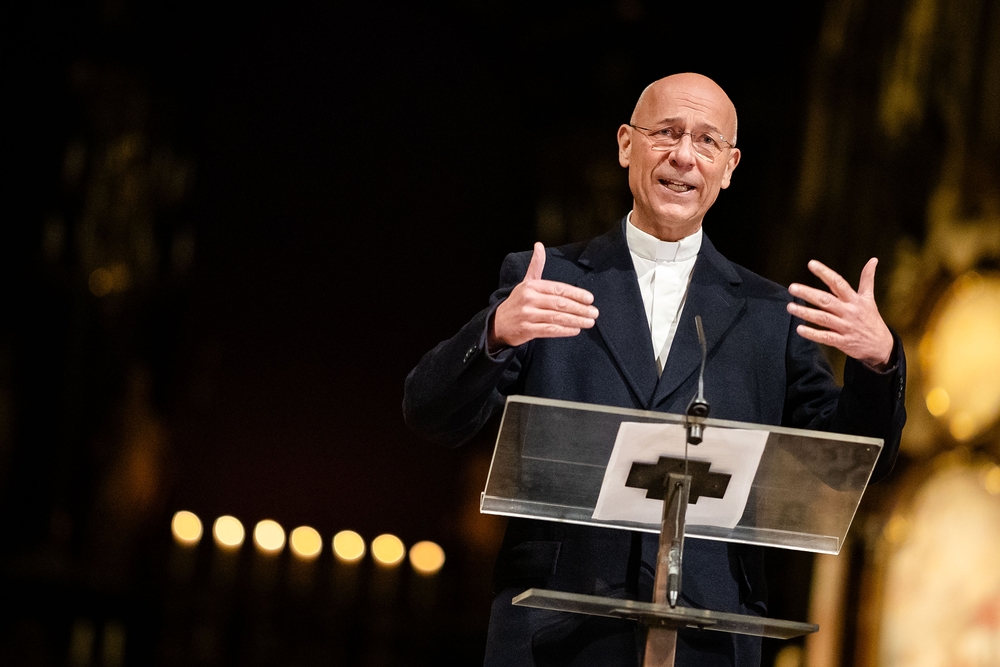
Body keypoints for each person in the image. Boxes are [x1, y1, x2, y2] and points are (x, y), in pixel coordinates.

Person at [403, 73, 906, 667]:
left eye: (707, 141)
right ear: (626, 145)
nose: (684, 156)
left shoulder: (769, 314)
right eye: (666, 132)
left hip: (708, 637)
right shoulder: (547, 281)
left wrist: (878, 362)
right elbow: (431, 414)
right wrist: (494, 333)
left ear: (729, 167)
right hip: (555, 632)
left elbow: (847, 471)